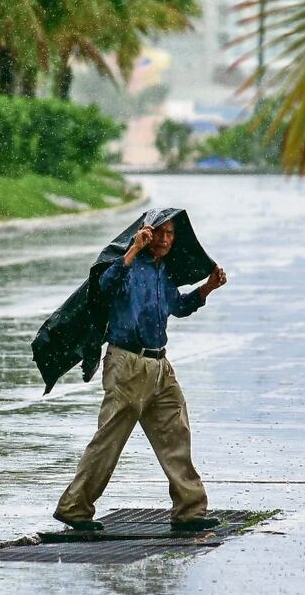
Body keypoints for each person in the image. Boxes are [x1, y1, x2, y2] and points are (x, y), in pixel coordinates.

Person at [52, 216, 227, 532]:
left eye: (170, 234)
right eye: (158, 233)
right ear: (145, 234)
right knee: (109, 440)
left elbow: (178, 306)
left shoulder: (163, 272)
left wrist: (207, 288)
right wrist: (132, 250)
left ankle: (189, 511)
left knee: (176, 433)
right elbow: (103, 288)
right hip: (127, 365)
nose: (164, 240)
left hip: (160, 365)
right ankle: (74, 508)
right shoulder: (128, 266)